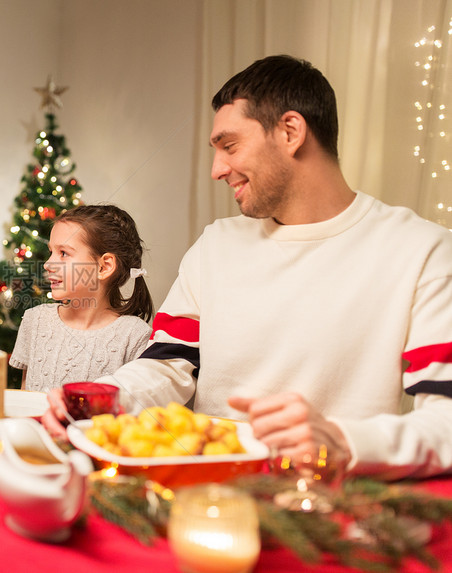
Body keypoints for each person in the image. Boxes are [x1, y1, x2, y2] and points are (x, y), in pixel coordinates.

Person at [44, 55, 452, 480]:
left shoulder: (422, 250)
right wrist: (103, 397)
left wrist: (343, 441)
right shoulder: (216, 245)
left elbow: (447, 420)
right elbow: (167, 364)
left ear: (291, 132)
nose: (218, 169)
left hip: (332, 498)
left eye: (230, 145)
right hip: (207, 492)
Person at [9, 204, 153, 392]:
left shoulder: (134, 336)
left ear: (104, 267)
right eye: (51, 251)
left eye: (63, 253)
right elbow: (26, 401)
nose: (47, 264)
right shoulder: (35, 320)